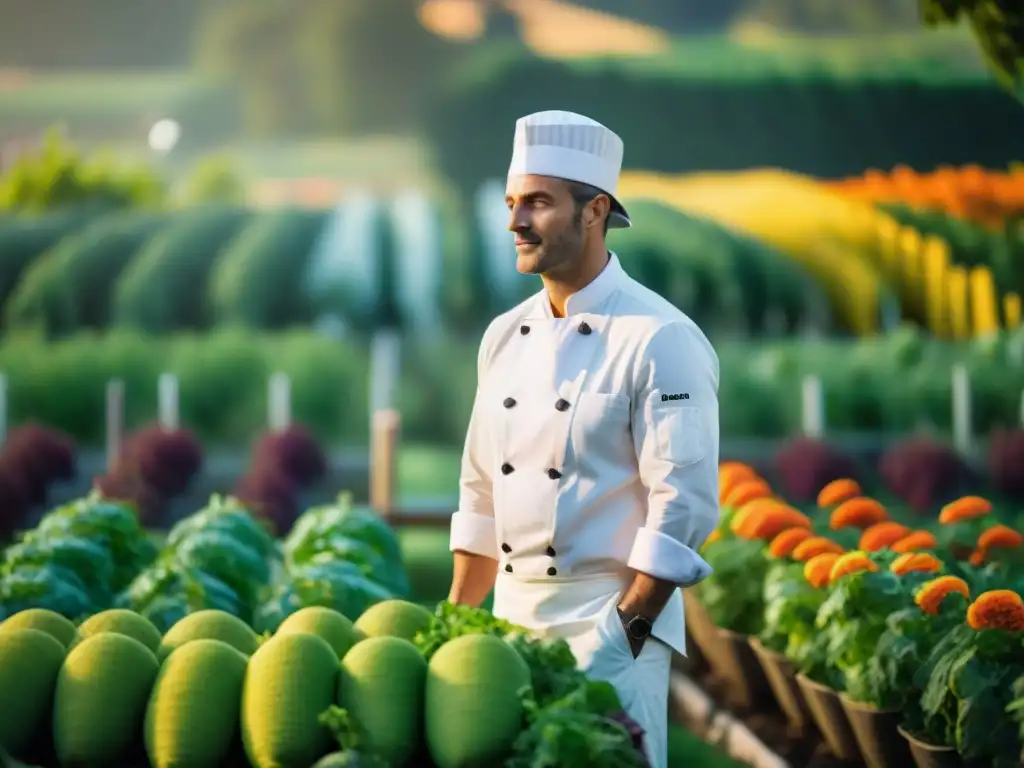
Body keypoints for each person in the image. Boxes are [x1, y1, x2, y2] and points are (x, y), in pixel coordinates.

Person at [446, 110, 719, 768]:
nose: (515, 221)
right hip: (503, 642)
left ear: (595, 211)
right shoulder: (502, 337)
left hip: (608, 628)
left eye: (537, 203)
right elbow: (482, 496)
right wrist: (452, 630)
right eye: (513, 203)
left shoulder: (660, 338)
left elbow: (682, 504)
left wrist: (621, 635)